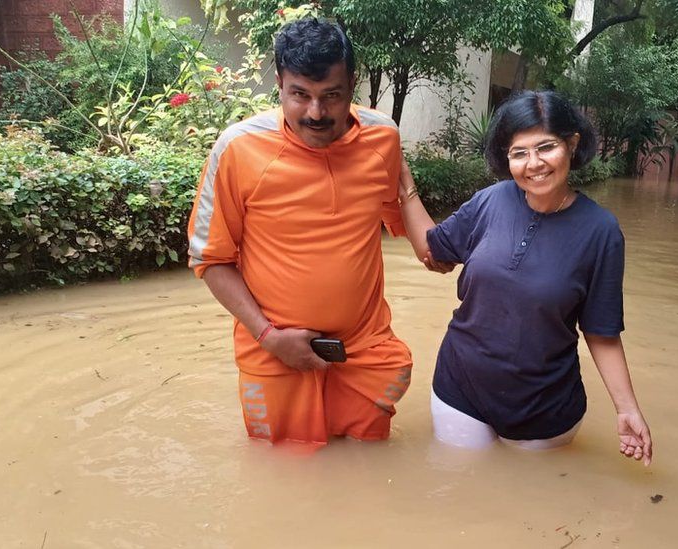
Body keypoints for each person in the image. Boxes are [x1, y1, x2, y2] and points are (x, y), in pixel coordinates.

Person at [187, 19, 413, 446]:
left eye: (332, 95)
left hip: (363, 351)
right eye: (300, 95)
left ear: (353, 84)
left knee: (368, 469)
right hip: (274, 354)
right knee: (282, 473)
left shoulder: (383, 137)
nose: (316, 113)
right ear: (279, 84)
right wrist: (270, 337)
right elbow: (210, 260)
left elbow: (399, 217)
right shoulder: (237, 148)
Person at [399, 90, 653, 463]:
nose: (534, 163)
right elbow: (433, 252)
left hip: (544, 410)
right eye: (519, 153)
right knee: (454, 495)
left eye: (546, 147)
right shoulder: (490, 201)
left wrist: (627, 408)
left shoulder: (601, 231)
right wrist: (403, 184)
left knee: (531, 509)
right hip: (461, 390)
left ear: (572, 144)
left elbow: (601, 331)